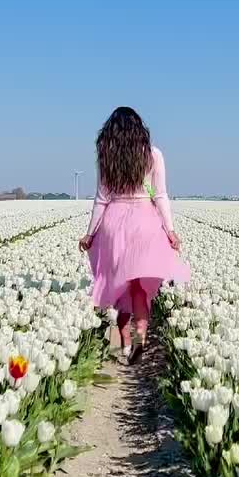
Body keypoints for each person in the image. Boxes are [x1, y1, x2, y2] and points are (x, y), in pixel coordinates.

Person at [79, 106, 190, 364]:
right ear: (140, 130)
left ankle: (125, 345)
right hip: (145, 223)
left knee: (121, 290)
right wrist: (170, 230)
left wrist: (90, 234)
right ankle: (140, 336)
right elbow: (158, 195)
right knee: (140, 289)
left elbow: (102, 199)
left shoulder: (107, 156)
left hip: (114, 225)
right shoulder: (152, 155)